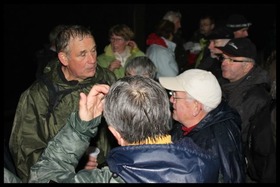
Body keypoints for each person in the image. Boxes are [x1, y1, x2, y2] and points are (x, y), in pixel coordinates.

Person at [28, 76, 220, 183]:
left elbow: (44, 178)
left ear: (116, 134)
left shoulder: (107, 179)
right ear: (165, 114)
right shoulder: (207, 166)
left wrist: (79, 129)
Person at [9, 25, 117, 182]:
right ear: (64, 58)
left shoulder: (108, 80)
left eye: (93, 50)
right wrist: (77, 169)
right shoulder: (39, 95)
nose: (92, 59)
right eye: (82, 54)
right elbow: (26, 153)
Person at [159, 69, 246, 183]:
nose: (171, 99)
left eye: (175, 96)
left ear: (196, 107)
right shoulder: (189, 125)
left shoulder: (209, 148)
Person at [217, 38, 272, 182]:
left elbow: (240, 139)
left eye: (232, 60)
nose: (224, 63)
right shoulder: (228, 86)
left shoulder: (255, 97)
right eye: (224, 58)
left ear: (248, 66)